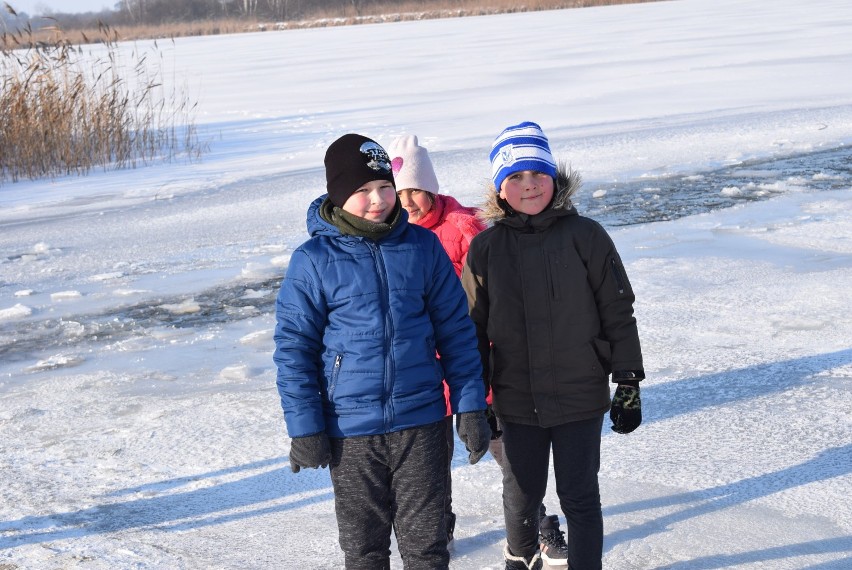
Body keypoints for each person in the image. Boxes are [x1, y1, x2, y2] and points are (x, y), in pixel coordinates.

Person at [273, 133, 492, 570]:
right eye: (363, 191)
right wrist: (305, 428)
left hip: (423, 422)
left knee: (428, 550)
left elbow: (456, 334)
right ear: (338, 196)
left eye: (385, 187)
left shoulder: (422, 248)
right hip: (350, 431)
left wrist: (470, 407)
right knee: (364, 551)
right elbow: (294, 350)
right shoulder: (313, 260)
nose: (378, 200)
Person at [461, 122, 644, 570]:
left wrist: (628, 380)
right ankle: (519, 559)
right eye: (516, 178)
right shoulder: (485, 248)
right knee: (521, 494)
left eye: (537, 175)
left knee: (580, 495)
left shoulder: (587, 236)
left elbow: (618, 310)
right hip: (516, 397)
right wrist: (476, 399)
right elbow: (472, 330)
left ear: (554, 178)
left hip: (579, 393)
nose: (529, 186)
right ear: (500, 189)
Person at [387, 134, 487, 547]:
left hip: (467, 356)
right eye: (400, 193)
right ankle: (440, 525)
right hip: (422, 367)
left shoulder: (464, 226)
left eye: (416, 191)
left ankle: (532, 520)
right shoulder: (392, 235)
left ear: (431, 188)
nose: (408, 202)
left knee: (498, 444)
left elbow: (494, 289)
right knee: (432, 456)